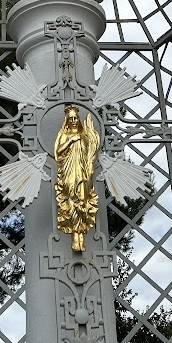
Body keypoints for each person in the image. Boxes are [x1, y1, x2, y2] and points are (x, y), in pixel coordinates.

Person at [54, 104, 100, 252]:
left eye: (75, 118)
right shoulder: (65, 135)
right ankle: (75, 236)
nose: (73, 121)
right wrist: (71, 140)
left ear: (78, 119)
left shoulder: (84, 136)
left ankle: (80, 235)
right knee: (71, 200)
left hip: (82, 173)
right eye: (71, 118)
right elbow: (58, 151)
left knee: (82, 200)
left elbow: (90, 154)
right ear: (67, 120)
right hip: (68, 172)